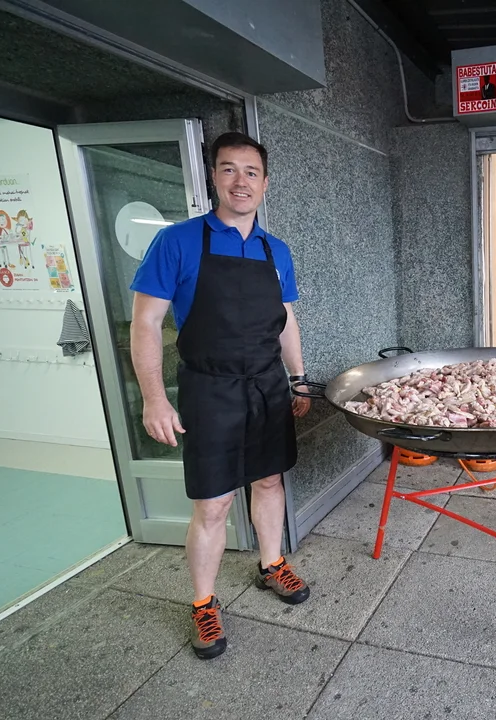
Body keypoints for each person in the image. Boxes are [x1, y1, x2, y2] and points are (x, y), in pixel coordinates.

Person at [129, 132, 314, 660]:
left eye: (251, 172)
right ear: (213, 177)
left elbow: (286, 319)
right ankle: (203, 602)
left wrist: (298, 377)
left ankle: (271, 564)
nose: (241, 181)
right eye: (229, 169)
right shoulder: (177, 241)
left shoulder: (276, 250)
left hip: (267, 385)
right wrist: (154, 399)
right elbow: (146, 323)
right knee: (213, 502)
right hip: (209, 388)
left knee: (270, 479)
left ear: (265, 183)